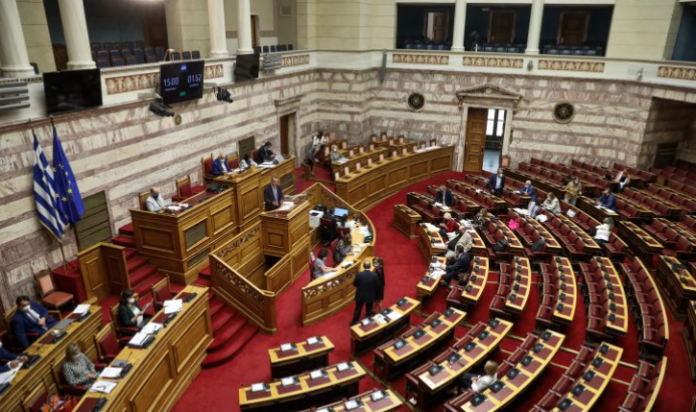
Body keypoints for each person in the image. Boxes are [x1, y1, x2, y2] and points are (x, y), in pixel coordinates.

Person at [351, 261, 380, 325]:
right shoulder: (374, 275)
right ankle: (367, 323)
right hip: (370, 295)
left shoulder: (359, 274)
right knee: (369, 310)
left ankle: (354, 322)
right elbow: (377, 285)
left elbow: (355, 284)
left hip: (360, 295)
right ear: (370, 266)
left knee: (358, 309)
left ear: (363, 266)